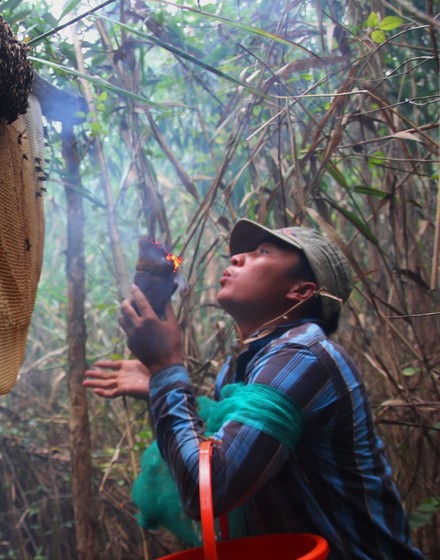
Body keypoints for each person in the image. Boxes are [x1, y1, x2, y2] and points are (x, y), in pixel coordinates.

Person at [84, 219, 424, 560]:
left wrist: (166, 371)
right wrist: (160, 386)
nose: (237, 258)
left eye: (261, 253)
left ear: (301, 291)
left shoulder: (304, 355)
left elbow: (207, 490)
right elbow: (232, 440)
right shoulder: (243, 364)